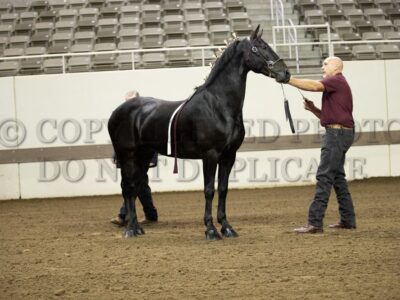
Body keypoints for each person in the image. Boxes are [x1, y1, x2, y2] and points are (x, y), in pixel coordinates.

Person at [279, 56, 357, 234]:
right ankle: (348, 219)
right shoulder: (337, 84)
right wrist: (314, 109)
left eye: (325, 64)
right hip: (341, 133)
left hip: (336, 135)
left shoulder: (335, 80)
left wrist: (288, 79)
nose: (323, 67)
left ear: (336, 67)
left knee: (324, 176)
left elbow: (314, 86)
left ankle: (314, 223)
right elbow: (329, 118)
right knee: (337, 178)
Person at [110, 90, 158, 226]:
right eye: (126, 102)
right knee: (141, 184)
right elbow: (121, 139)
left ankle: (123, 214)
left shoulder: (147, 117)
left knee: (135, 183)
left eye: (130, 102)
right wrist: (116, 155)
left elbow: (154, 139)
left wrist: (152, 159)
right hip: (131, 159)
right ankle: (151, 214)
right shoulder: (125, 118)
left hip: (142, 158)